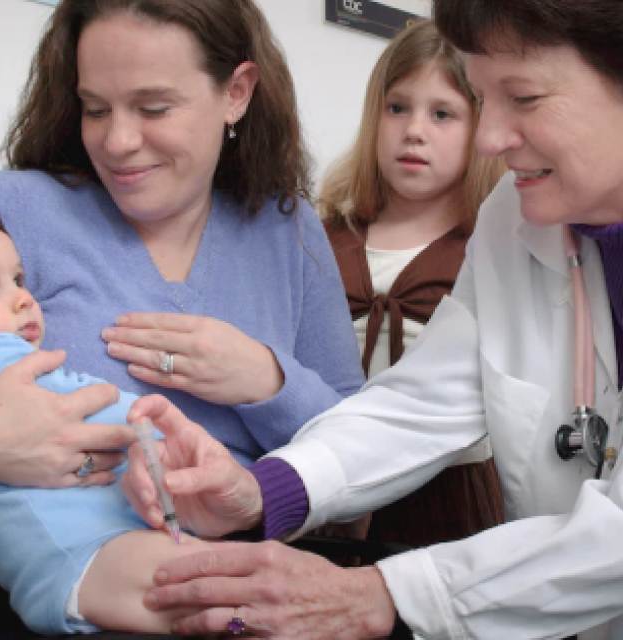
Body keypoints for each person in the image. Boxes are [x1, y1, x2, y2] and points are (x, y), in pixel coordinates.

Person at [120, 2, 623, 638]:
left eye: (522, 96)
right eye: (480, 96)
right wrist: (263, 491)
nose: (490, 138)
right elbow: (421, 399)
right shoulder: (515, 220)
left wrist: (381, 594)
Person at [0, 0, 364, 633]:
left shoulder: (286, 226)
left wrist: (268, 381)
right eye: (95, 108)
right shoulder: (14, 210)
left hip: (245, 585)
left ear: (236, 93)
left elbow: (361, 448)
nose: (118, 140)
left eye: (154, 108)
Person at [0, 206, 219, 635]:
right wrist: (161, 426)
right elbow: (95, 409)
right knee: (228, 592)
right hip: (78, 551)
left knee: (219, 599)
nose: (23, 298)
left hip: (81, 551)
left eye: (19, 280)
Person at [319, 19, 505, 548]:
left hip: (447, 498)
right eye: (397, 107)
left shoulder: (494, 247)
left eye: (442, 113)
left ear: (480, 126)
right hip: (327, 479)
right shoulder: (323, 234)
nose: (413, 130)